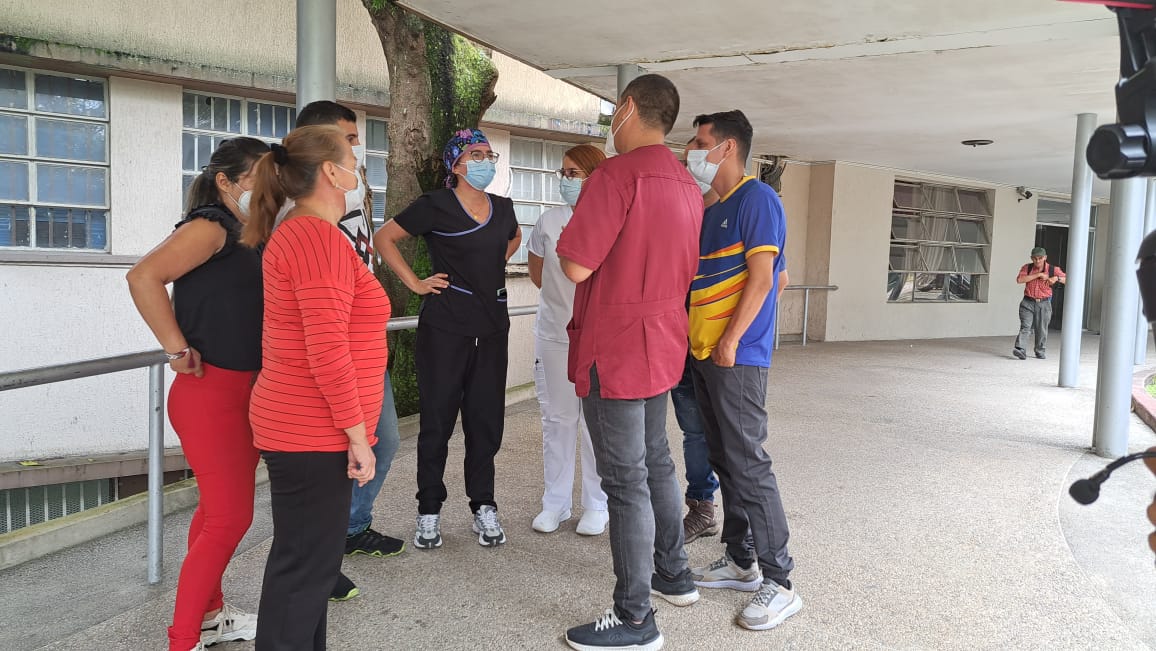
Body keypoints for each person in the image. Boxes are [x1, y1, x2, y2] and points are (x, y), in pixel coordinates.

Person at [558, 73, 703, 651]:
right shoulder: (688, 183)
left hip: (614, 343)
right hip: (663, 336)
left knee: (625, 481)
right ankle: (674, 574)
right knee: (658, 462)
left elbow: (574, 266)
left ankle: (635, 617)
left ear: (627, 109)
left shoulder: (615, 176)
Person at [242, 125, 388, 650]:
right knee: (304, 570)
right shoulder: (314, 237)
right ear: (330, 172)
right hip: (311, 430)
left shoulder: (310, 233)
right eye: (352, 158)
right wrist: (356, 435)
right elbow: (325, 350)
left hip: (311, 427)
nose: (357, 168)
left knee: (310, 567)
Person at [127, 137, 268, 651]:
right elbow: (143, 277)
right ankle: (182, 640)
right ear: (227, 182)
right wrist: (175, 348)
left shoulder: (250, 230)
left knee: (215, 512)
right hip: (211, 392)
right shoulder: (211, 226)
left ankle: (209, 617)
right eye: (259, 175)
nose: (268, 185)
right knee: (232, 517)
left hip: (243, 390)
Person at [374, 128, 521, 549]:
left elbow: (513, 236)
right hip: (445, 327)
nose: (486, 160)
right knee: (437, 423)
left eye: (489, 154)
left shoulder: (504, 207)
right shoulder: (434, 206)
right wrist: (416, 283)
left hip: (492, 326)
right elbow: (386, 238)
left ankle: (483, 506)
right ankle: (429, 510)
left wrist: (490, 264)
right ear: (455, 164)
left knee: (485, 422)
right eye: (475, 154)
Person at [685, 109, 802, 632]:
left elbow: (765, 278)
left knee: (749, 464)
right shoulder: (713, 208)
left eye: (699, 142)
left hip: (737, 356)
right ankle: (741, 560)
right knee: (725, 459)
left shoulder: (758, 200)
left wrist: (733, 337)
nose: (693, 150)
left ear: (727, 148)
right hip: (705, 354)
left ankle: (780, 580)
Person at [293, 100, 405, 604]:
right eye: (348, 140)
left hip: (360, 350)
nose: (356, 150)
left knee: (383, 442)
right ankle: (319, 559)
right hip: (324, 362)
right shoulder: (298, 217)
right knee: (333, 462)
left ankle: (349, 531)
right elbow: (319, 324)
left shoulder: (351, 194)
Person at [526, 144, 609, 536]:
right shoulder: (548, 221)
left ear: (596, 175)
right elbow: (538, 275)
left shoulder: (613, 219)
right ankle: (555, 503)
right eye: (564, 173)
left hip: (598, 339)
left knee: (595, 423)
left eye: (574, 173)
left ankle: (597, 503)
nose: (566, 180)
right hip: (554, 335)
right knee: (557, 420)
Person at [675, 143, 721, 544]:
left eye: (700, 150)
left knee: (719, 432)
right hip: (676, 339)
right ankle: (701, 507)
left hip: (717, 345)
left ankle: (717, 511)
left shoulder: (737, 211)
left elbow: (775, 279)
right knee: (692, 430)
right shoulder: (680, 214)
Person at [1013, 246, 1066, 360]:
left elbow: (1068, 279)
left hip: (1044, 303)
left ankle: (1040, 350)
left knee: (1041, 328)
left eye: (1040, 258)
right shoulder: (1027, 268)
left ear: (1045, 257)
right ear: (1031, 258)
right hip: (1027, 302)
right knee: (1025, 326)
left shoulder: (1053, 269)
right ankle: (1020, 349)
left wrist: (1056, 278)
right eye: (1035, 258)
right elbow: (1019, 280)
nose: (1037, 261)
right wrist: (1038, 275)